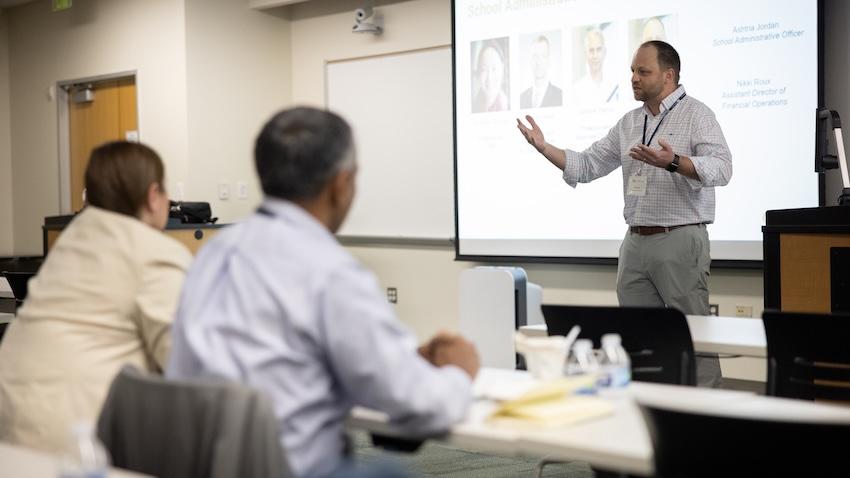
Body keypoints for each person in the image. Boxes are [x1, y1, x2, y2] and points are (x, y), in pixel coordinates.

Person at [166, 107, 480, 478]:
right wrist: (460, 372)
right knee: (394, 472)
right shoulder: (331, 272)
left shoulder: (213, 253)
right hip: (291, 469)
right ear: (341, 183)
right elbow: (416, 401)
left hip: (198, 464)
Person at [517, 41, 732, 387]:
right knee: (636, 335)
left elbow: (722, 169)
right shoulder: (630, 122)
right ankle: (648, 405)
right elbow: (587, 165)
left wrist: (674, 162)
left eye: (642, 71)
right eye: (632, 70)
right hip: (635, 244)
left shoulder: (697, 114)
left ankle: (707, 411)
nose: (633, 78)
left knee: (693, 332)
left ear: (669, 74)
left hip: (679, 239)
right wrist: (544, 148)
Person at [0, 141, 191, 453]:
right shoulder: (155, 251)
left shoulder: (71, 240)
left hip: (11, 424)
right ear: (153, 196)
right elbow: (184, 362)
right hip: (78, 438)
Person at [573, 28, 620, 105]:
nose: (595, 56)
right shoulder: (576, 90)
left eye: (598, 50)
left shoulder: (615, 86)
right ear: (585, 54)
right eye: (591, 50)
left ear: (604, 52)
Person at [520, 35, 563, 109]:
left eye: (543, 56)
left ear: (549, 60)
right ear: (530, 61)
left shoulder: (561, 96)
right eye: (535, 56)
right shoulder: (521, 98)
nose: (539, 62)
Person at [472, 40, 509, 112]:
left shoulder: (506, 106)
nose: (489, 77)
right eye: (484, 69)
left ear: (502, 70)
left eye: (494, 69)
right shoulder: (474, 105)